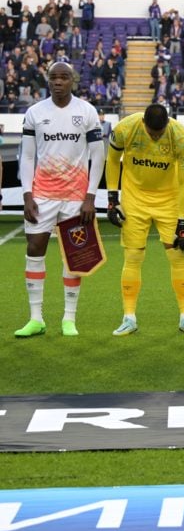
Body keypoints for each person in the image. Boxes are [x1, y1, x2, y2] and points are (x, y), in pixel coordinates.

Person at [15, 62, 104, 338]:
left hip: (76, 198)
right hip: (42, 194)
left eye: (64, 77)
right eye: (53, 77)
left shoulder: (86, 111)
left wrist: (90, 196)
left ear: (72, 81)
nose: (58, 82)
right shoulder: (35, 112)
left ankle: (69, 319)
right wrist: (27, 194)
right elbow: (27, 155)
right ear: (47, 81)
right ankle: (36, 318)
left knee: (75, 255)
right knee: (35, 248)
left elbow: (98, 155)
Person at [106, 104, 184, 336]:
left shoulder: (181, 137)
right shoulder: (124, 129)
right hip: (134, 199)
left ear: (168, 123)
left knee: (177, 255)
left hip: (168, 200)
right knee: (133, 256)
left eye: (160, 133)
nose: (156, 136)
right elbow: (112, 159)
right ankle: (129, 317)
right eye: (151, 132)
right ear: (143, 124)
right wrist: (111, 199)